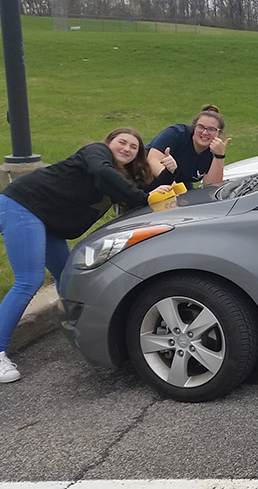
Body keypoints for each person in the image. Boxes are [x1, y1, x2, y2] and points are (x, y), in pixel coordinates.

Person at [0, 128, 175, 383]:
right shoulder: (96, 153)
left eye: (133, 147)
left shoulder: (121, 177)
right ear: (109, 142)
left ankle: (80, 332)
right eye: (121, 142)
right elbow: (113, 179)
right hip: (23, 205)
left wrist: (169, 172)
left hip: (45, 217)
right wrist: (144, 195)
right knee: (29, 280)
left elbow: (148, 196)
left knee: (68, 277)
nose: (126, 148)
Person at [147, 105, 230, 187]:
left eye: (211, 129)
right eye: (200, 127)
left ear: (219, 133)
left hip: (180, 183)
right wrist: (173, 187)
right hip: (144, 177)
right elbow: (152, 160)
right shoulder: (176, 133)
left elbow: (211, 187)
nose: (204, 132)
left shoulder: (214, 150)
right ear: (194, 127)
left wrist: (219, 156)